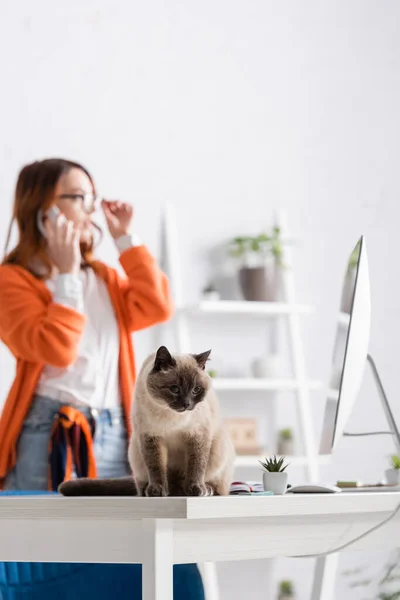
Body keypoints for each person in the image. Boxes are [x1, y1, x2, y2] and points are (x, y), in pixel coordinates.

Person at [0, 158, 173, 491]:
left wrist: (125, 240)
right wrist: (66, 275)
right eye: (80, 197)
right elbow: (57, 350)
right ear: (43, 207)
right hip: (48, 431)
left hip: (118, 430)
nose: (91, 209)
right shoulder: (12, 281)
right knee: (45, 540)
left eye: (92, 197)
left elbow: (158, 307)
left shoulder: (101, 277)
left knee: (110, 539)